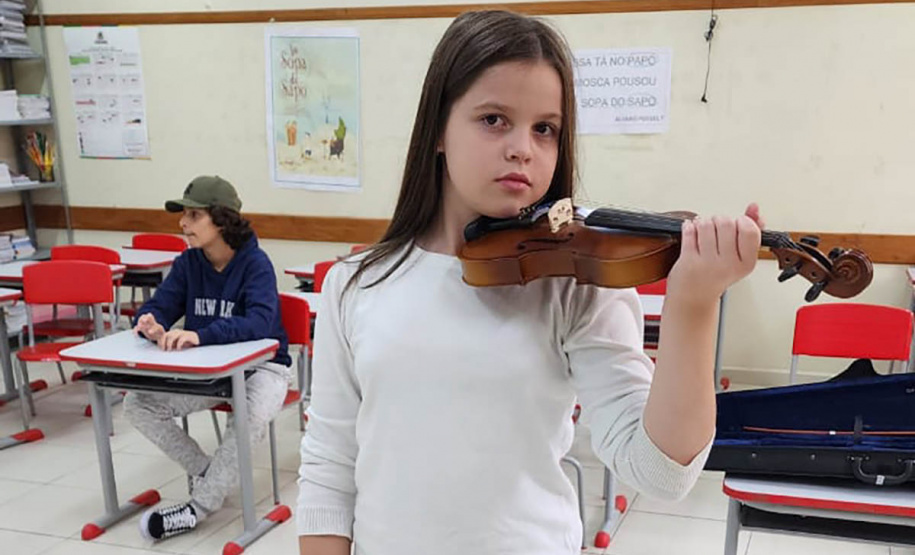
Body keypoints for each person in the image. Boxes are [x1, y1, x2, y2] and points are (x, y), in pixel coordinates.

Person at [296, 10, 764, 555]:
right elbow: (329, 466)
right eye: (494, 119)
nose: (524, 147)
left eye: (545, 129)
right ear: (438, 130)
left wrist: (694, 305)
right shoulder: (356, 284)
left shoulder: (574, 283)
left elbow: (661, 473)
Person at [123, 175, 292, 541]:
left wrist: (201, 335)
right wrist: (150, 322)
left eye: (194, 215)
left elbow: (260, 323)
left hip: (265, 368)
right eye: (184, 215)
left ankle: (197, 509)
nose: (183, 223)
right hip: (210, 371)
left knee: (248, 417)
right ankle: (208, 472)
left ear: (222, 219)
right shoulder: (188, 263)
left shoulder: (256, 263)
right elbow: (161, 304)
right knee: (137, 403)